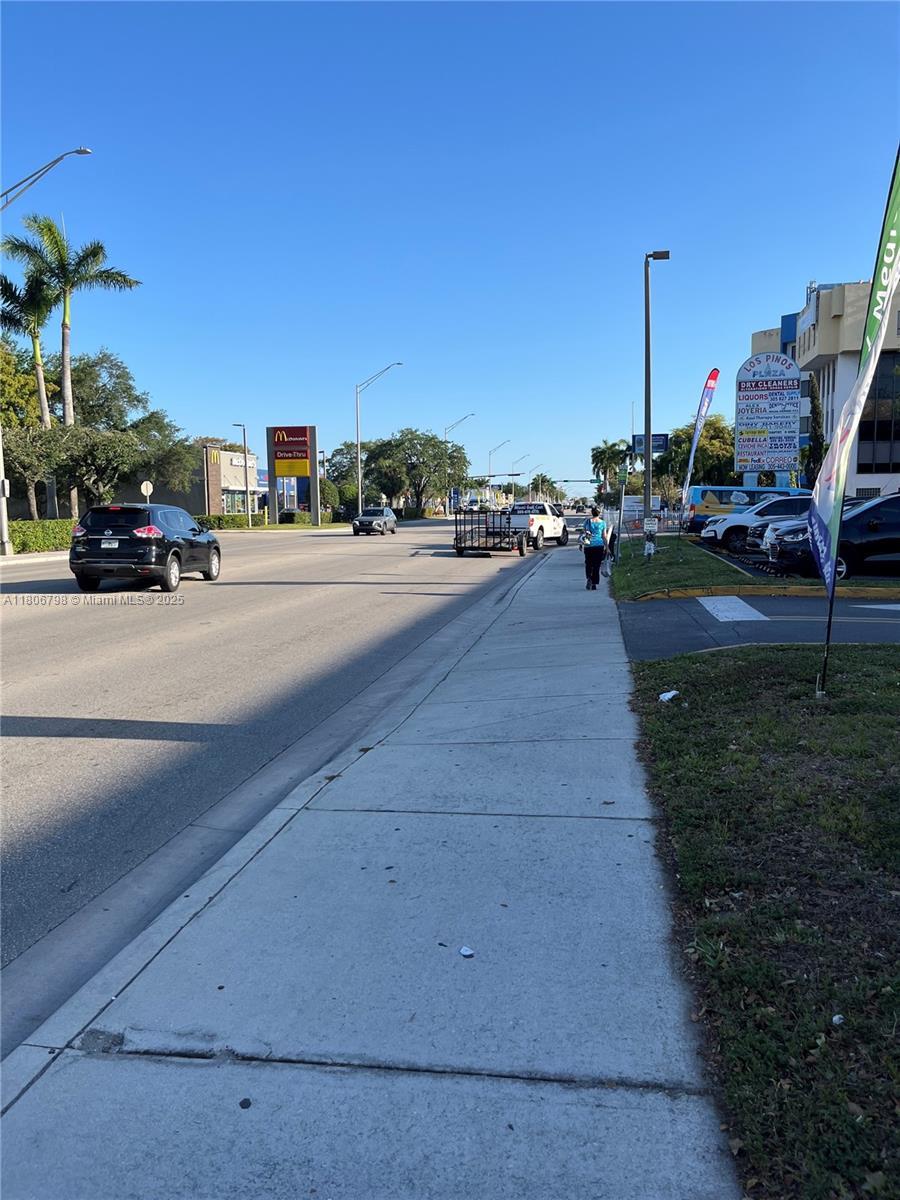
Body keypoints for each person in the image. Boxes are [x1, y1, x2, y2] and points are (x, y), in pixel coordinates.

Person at [581, 506, 608, 590]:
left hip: (588, 545)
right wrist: (607, 548)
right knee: (596, 565)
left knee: (588, 563)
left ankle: (589, 577)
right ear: (599, 513)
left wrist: (581, 544)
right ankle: (594, 583)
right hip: (599, 545)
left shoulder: (587, 521)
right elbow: (604, 536)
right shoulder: (603, 523)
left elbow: (585, 533)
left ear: (592, 513)